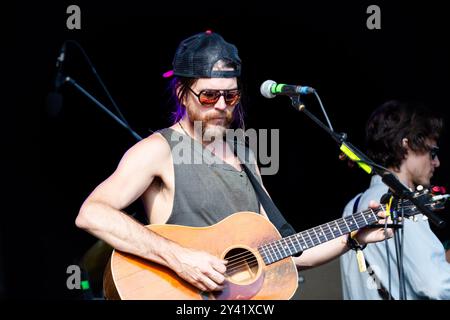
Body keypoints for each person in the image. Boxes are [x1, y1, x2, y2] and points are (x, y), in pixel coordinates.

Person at [75, 30, 392, 296]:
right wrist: (179, 258)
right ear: (182, 94)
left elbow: (282, 255)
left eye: (231, 96)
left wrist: (352, 236)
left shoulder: (245, 154)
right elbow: (92, 214)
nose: (222, 106)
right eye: (209, 96)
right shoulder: (158, 150)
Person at [340, 100, 450, 300]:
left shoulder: (352, 206)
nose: (436, 162)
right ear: (406, 145)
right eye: (432, 152)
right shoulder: (401, 202)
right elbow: (437, 285)